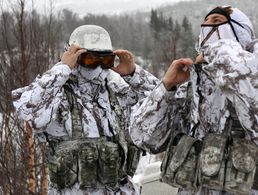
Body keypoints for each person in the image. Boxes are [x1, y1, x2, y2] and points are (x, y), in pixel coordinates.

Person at [12, 25, 160, 195]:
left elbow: (164, 103)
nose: (98, 67)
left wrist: (134, 74)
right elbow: (27, 110)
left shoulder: (117, 91)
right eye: (90, 59)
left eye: (105, 61)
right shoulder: (57, 95)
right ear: (75, 57)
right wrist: (62, 68)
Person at [130, 5, 258, 195]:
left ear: (240, 30)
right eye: (204, 23)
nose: (207, 28)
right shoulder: (191, 90)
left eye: (216, 22)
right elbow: (144, 138)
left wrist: (218, 51)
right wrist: (167, 86)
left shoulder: (251, 77)